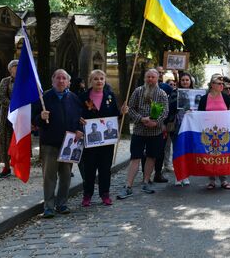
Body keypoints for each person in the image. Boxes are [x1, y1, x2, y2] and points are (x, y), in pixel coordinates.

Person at [32, 69, 84, 218]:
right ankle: (48, 206)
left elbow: (80, 118)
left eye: (64, 78)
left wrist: (80, 130)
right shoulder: (44, 97)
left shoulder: (74, 98)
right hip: (50, 143)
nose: (61, 81)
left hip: (69, 143)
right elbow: (34, 119)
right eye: (58, 78)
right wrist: (40, 117)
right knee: (49, 176)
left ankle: (62, 203)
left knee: (66, 175)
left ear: (68, 82)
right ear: (53, 80)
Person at [118, 69, 169, 199]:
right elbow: (130, 108)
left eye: (153, 77)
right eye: (148, 77)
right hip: (139, 131)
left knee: (151, 157)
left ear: (157, 78)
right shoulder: (138, 91)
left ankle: (146, 181)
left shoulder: (162, 94)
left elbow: (165, 112)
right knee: (135, 157)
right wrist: (141, 119)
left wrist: (156, 122)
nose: (150, 79)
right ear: (145, 78)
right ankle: (128, 185)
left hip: (155, 131)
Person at [78, 69, 122, 206]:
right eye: (96, 79)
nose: (99, 81)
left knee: (105, 169)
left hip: (106, 142)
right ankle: (87, 195)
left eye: (101, 79)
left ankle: (105, 194)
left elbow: (115, 115)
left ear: (105, 80)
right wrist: (79, 120)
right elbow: (77, 115)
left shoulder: (110, 96)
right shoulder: (83, 97)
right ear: (91, 81)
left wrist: (122, 112)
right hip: (90, 141)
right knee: (89, 169)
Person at [198, 73, 230, 189]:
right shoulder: (204, 99)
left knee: (223, 154)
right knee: (210, 155)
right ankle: (211, 180)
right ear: (212, 84)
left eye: (222, 84)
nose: (221, 86)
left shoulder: (226, 97)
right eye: (219, 83)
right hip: (208, 132)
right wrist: (190, 114)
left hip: (223, 131)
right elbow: (199, 114)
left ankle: (224, 179)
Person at [166, 72, 194, 186]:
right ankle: (178, 176)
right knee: (177, 151)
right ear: (180, 82)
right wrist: (178, 101)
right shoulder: (174, 92)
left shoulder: (195, 93)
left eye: (187, 80)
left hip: (190, 126)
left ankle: (186, 175)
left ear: (190, 81)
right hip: (177, 125)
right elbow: (170, 107)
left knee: (187, 151)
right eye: (183, 80)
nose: (185, 82)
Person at [0, 60, 18, 178]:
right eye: (14, 67)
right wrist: (15, 105)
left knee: (18, 141)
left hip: (20, 118)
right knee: (6, 142)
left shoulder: (24, 82)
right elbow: (1, 98)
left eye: (18, 67)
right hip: (7, 117)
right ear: (10, 69)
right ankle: (6, 167)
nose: (17, 69)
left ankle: (18, 166)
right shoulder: (5, 81)